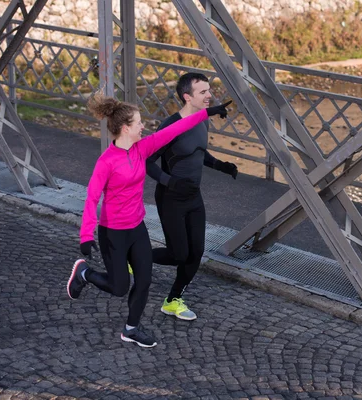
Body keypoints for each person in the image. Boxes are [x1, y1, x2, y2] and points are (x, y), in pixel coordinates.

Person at [66, 91, 230, 348]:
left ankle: (131, 329)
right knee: (119, 287)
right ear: (124, 128)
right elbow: (91, 199)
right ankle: (84, 273)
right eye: (139, 123)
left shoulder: (142, 149)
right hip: (113, 233)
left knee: (144, 281)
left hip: (137, 229)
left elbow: (176, 128)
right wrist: (86, 235)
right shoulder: (106, 162)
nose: (144, 126)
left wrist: (207, 112)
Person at [146, 72, 238, 321]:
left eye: (210, 90)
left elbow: (198, 153)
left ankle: (173, 300)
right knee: (178, 254)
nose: (210, 96)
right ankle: (135, 257)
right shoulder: (171, 125)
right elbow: (147, 160)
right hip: (170, 197)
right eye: (203, 92)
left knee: (195, 252)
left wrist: (222, 165)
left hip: (193, 197)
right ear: (187, 97)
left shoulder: (202, 121)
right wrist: (170, 182)